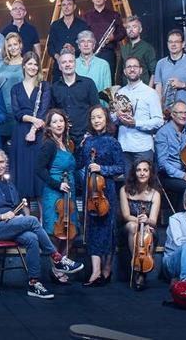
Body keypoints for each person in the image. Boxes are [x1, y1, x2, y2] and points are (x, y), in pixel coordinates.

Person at [0, 149, 82, 299]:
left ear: (6, 164)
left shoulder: (10, 184)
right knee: (32, 220)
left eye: (2, 162)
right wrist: (1, 216)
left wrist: (18, 217)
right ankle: (57, 258)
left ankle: (33, 283)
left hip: (11, 226)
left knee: (31, 238)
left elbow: (17, 206)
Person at [77, 105, 124, 287]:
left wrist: (102, 169)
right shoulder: (87, 142)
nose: (97, 120)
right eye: (94, 118)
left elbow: (121, 168)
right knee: (93, 230)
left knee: (107, 230)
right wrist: (80, 148)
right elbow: (80, 164)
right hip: (91, 191)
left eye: (100, 117)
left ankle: (107, 268)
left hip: (107, 191)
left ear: (106, 120)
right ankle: (96, 272)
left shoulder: (113, 142)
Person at [35, 109, 78, 283]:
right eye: (54, 122)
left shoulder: (68, 144)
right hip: (54, 193)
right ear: (49, 126)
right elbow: (38, 169)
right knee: (55, 232)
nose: (59, 124)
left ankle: (63, 263)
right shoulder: (49, 145)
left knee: (69, 232)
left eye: (61, 121)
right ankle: (55, 267)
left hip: (69, 192)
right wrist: (57, 184)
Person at [10, 52, 51, 201]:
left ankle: (42, 219)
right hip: (20, 133)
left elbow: (44, 111)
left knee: (39, 174)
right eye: (29, 64)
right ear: (24, 65)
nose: (33, 67)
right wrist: (33, 119)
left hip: (39, 133)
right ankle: (26, 217)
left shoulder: (44, 86)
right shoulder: (15, 88)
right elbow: (17, 113)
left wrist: (33, 130)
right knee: (21, 175)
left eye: (35, 64)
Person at [115, 56, 164, 173]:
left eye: (135, 67)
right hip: (124, 146)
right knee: (128, 186)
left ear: (141, 70)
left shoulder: (150, 93)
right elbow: (112, 120)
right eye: (129, 67)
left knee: (144, 188)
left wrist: (136, 123)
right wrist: (117, 116)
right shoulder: (119, 92)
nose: (132, 69)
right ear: (124, 71)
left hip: (143, 148)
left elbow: (159, 121)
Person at [119, 159, 162, 290]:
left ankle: (142, 272)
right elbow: (126, 216)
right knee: (132, 226)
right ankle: (137, 266)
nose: (142, 173)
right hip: (128, 228)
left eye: (145, 170)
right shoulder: (124, 190)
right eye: (138, 170)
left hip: (148, 227)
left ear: (150, 173)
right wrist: (140, 221)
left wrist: (147, 221)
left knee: (149, 231)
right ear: (134, 173)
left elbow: (153, 221)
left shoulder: (155, 194)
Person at [48, 50, 99, 146]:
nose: (67, 65)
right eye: (64, 62)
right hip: (62, 138)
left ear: (75, 64)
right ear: (59, 66)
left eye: (70, 61)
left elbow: (96, 109)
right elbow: (51, 113)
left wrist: (89, 133)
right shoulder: (54, 88)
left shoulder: (88, 84)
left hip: (86, 137)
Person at [152, 29, 186, 117]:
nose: (173, 44)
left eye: (176, 42)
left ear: (183, 44)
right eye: (170, 42)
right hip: (168, 113)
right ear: (167, 44)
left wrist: (183, 85)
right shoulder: (160, 63)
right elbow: (158, 89)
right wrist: (159, 110)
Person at [81, 0, 124, 71]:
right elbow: (82, 34)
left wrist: (113, 37)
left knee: (108, 80)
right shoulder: (86, 16)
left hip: (108, 53)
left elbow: (122, 32)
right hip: (90, 53)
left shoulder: (114, 15)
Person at [0, 33, 25, 145]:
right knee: (3, 151)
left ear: (20, 45)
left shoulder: (27, 64)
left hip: (19, 112)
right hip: (2, 113)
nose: (12, 48)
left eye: (15, 44)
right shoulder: (1, 64)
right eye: (9, 45)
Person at [119, 16, 156, 86]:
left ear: (140, 29)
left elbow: (154, 73)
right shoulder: (123, 48)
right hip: (125, 90)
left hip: (143, 90)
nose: (131, 29)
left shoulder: (147, 48)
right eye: (128, 27)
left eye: (134, 27)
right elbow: (120, 72)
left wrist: (149, 90)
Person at [75, 30, 112, 97]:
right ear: (78, 46)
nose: (86, 44)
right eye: (82, 41)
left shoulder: (104, 65)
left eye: (89, 41)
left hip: (98, 106)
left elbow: (107, 92)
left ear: (94, 45)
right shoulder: (72, 64)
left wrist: (104, 107)